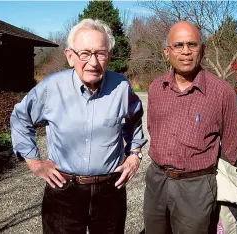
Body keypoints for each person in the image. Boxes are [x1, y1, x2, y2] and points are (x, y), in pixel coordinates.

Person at [10, 18, 147, 234]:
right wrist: (34, 161)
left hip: (110, 191)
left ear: (109, 56)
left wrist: (135, 155)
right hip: (64, 190)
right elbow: (20, 118)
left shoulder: (121, 87)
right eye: (84, 53)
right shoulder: (51, 87)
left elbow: (134, 119)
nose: (93, 62)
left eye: (100, 53)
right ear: (70, 56)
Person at [144, 21, 237, 234]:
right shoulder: (156, 88)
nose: (186, 51)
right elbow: (152, 127)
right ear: (166, 52)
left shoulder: (222, 92)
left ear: (203, 50)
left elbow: (231, 145)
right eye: (178, 45)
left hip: (196, 186)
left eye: (192, 44)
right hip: (156, 180)